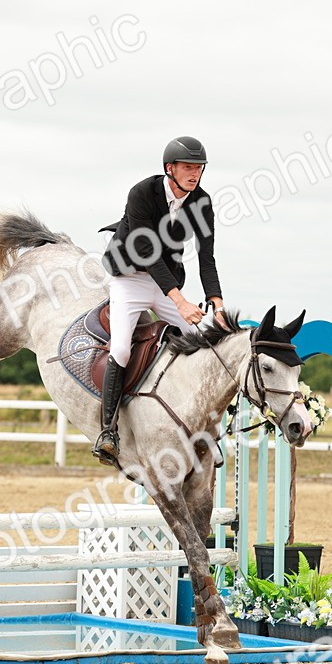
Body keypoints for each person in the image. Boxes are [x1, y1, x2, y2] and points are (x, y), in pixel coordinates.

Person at [93, 135, 225, 465]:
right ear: (170, 169)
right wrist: (180, 302)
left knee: (202, 343)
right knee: (121, 347)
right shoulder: (142, 193)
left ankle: (205, 429)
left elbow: (206, 258)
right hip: (131, 279)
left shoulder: (201, 203)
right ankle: (108, 430)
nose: (194, 174)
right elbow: (148, 252)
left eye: (199, 168)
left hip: (166, 281)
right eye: (188, 167)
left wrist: (217, 305)